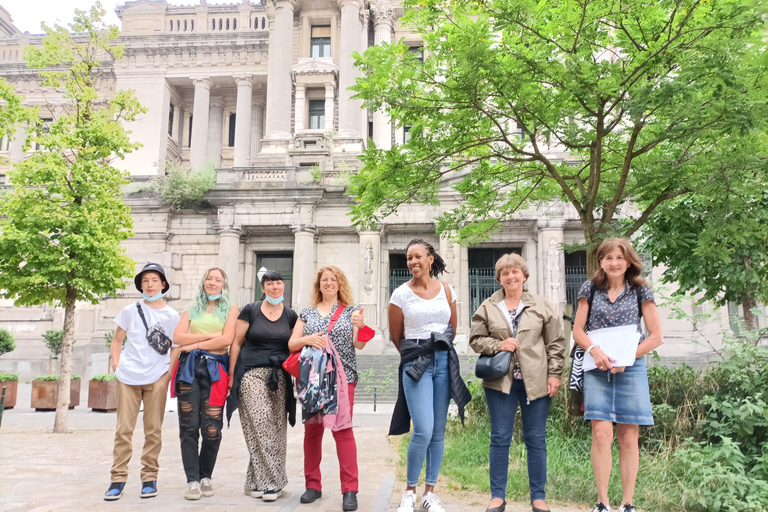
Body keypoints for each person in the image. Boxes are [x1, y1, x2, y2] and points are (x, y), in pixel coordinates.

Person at [469, 254, 565, 512]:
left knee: (535, 438)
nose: (511, 277)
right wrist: (498, 344)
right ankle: (497, 497)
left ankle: (538, 497)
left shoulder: (541, 305)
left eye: (515, 272)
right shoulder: (489, 306)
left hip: (536, 381)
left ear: (524, 275)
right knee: (500, 437)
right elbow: (476, 339)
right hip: (500, 382)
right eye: (505, 273)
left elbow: (556, 343)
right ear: (499, 278)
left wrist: (554, 374)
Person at [572, 238, 663, 512]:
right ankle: (602, 502)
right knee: (600, 434)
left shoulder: (640, 290)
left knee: (628, 435)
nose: (614, 263)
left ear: (629, 262)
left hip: (630, 369)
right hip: (596, 368)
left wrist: (627, 357)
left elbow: (656, 337)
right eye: (608, 257)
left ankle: (627, 503)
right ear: (600, 261)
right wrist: (594, 350)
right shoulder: (590, 288)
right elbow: (578, 331)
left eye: (620, 258)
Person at [389, 239, 471, 512]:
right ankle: (410, 491)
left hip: (444, 362)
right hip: (416, 364)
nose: (412, 262)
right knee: (422, 429)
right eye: (408, 258)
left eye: (417, 257)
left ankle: (430, 492)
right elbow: (395, 335)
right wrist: (417, 353)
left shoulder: (447, 291)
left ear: (430, 258)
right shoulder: (400, 294)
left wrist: (437, 350)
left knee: (438, 431)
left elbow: (452, 326)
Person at [289, 265, 369, 512]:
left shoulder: (352, 312)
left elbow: (359, 344)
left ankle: (350, 490)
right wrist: (308, 339)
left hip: (343, 379)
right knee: (312, 432)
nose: (329, 283)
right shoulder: (307, 314)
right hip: (313, 379)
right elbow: (292, 343)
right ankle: (313, 485)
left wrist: (362, 325)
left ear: (340, 283)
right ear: (319, 285)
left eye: (333, 279)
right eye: (324, 279)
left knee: (343, 431)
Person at [104, 263, 181, 501]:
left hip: (157, 377)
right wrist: (117, 366)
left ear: (163, 284)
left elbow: (176, 346)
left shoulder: (171, 315)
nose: (150, 285)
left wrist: (166, 374)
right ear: (140, 285)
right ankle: (118, 479)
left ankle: (149, 478)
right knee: (123, 430)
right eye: (146, 280)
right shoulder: (129, 310)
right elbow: (117, 341)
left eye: (155, 280)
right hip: (128, 377)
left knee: (153, 430)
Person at [226, 270, 298, 502]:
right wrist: (231, 375)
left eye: (279, 283)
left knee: (275, 429)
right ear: (263, 287)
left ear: (284, 287)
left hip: (279, 377)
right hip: (251, 374)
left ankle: (253, 481)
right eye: (270, 283)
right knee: (262, 424)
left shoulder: (290, 315)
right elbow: (236, 343)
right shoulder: (251, 310)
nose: (275, 287)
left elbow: (296, 344)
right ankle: (272, 482)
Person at [171, 267, 239, 500]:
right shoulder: (191, 308)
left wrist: (194, 344)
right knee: (188, 427)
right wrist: (209, 339)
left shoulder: (231, 309)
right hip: (188, 369)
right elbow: (178, 338)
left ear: (224, 285)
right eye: (209, 278)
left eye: (217, 279)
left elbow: (227, 340)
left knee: (212, 428)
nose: (212, 282)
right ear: (203, 283)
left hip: (216, 371)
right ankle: (192, 480)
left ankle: (205, 475)